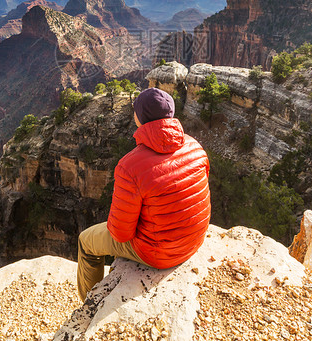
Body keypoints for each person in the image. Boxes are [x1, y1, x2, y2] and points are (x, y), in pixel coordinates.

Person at [76, 87, 211, 301]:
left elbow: (120, 234)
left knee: (86, 241)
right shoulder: (196, 147)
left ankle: (89, 305)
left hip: (159, 254)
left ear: (140, 118)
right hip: (194, 240)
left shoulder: (129, 166)